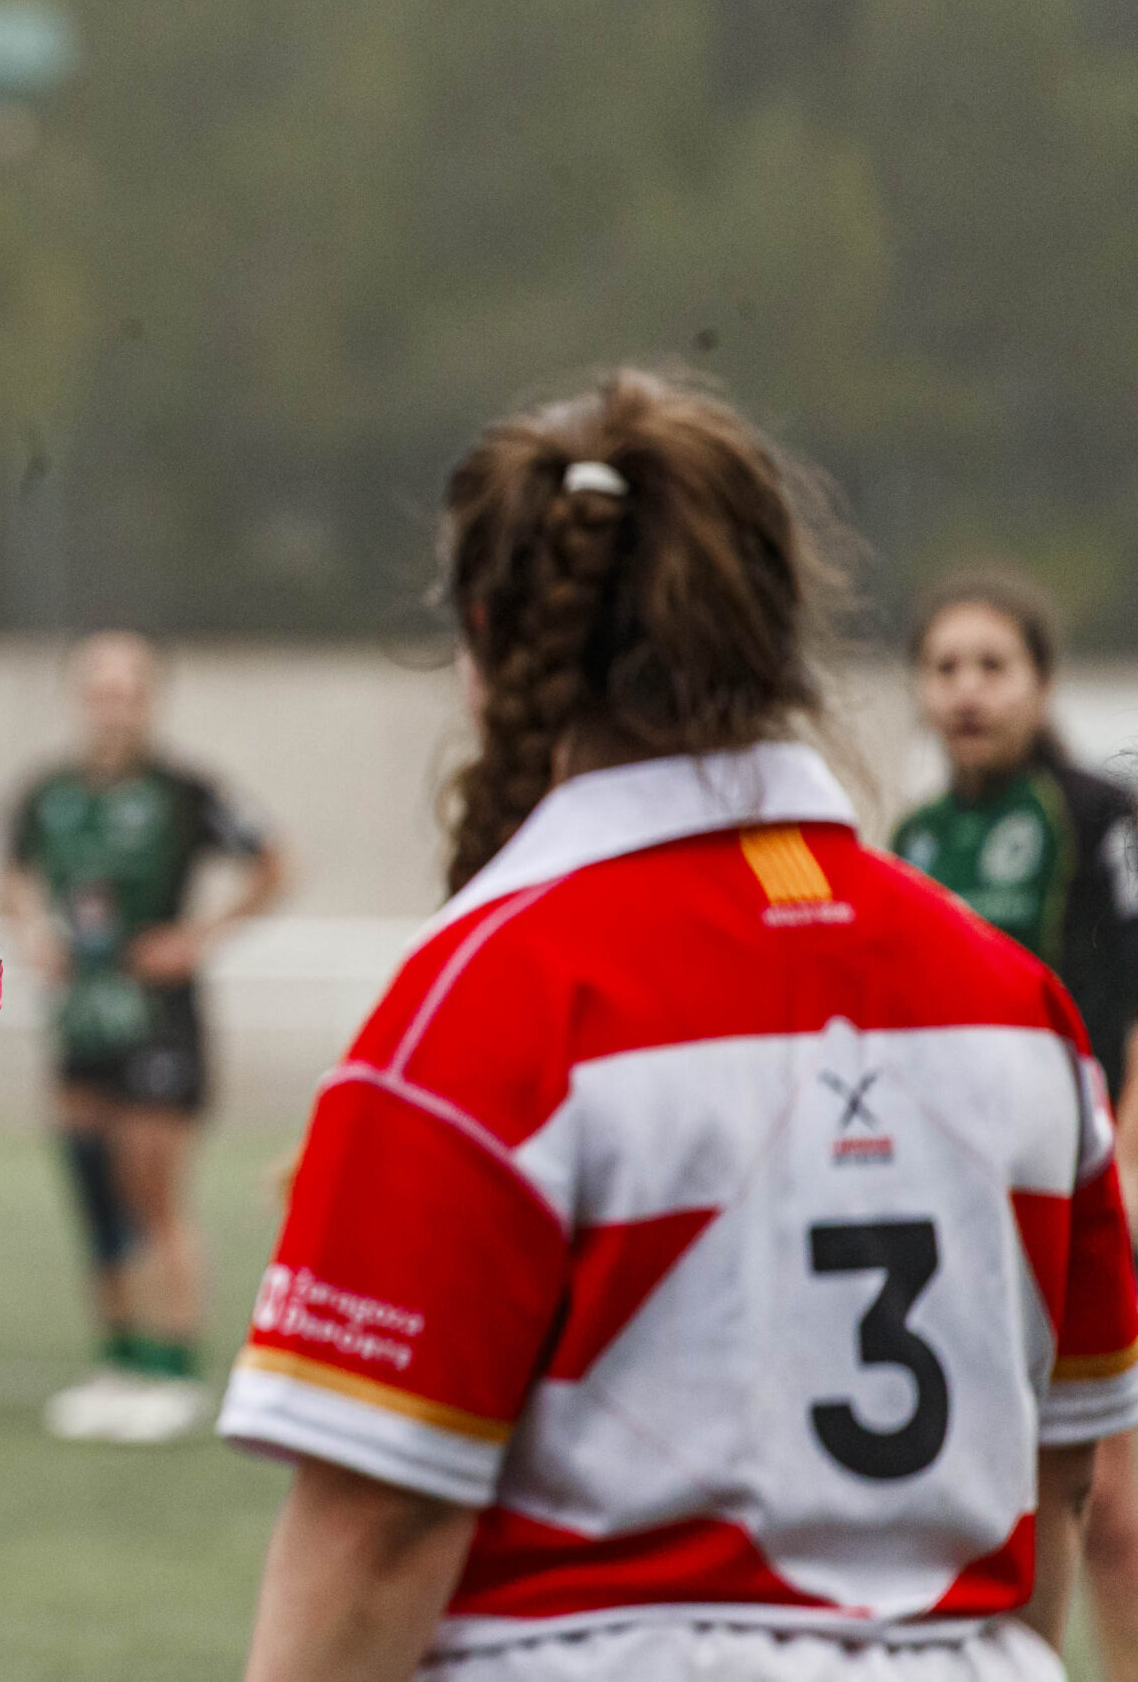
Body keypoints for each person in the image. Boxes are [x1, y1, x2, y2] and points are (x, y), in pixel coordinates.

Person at [215, 370, 1138, 1681]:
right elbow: (1051, 1494)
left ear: (488, 642)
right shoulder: (1017, 1004)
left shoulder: (486, 1001)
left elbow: (376, 1534)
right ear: (780, 637)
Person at [899, 576, 1138, 1682]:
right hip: (960, 1207)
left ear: (1039, 683)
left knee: (1114, 1512)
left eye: (991, 666)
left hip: (1094, 1186)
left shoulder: (1098, 817)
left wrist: (1124, 1164)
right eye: (944, 667)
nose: (966, 691)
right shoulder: (912, 837)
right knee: (986, 1489)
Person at [2, 630, 286, 1444]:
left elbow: (273, 863)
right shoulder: (48, 791)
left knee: (152, 1191)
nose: (112, 703)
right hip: (82, 1018)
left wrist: (196, 937)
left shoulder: (186, 791)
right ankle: (118, 1359)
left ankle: (173, 1367)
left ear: (150, 698)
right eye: (98, 687)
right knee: (93, 1192)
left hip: (159, 1022)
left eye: (128, 688)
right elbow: (15, 871)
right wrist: (32, 930)